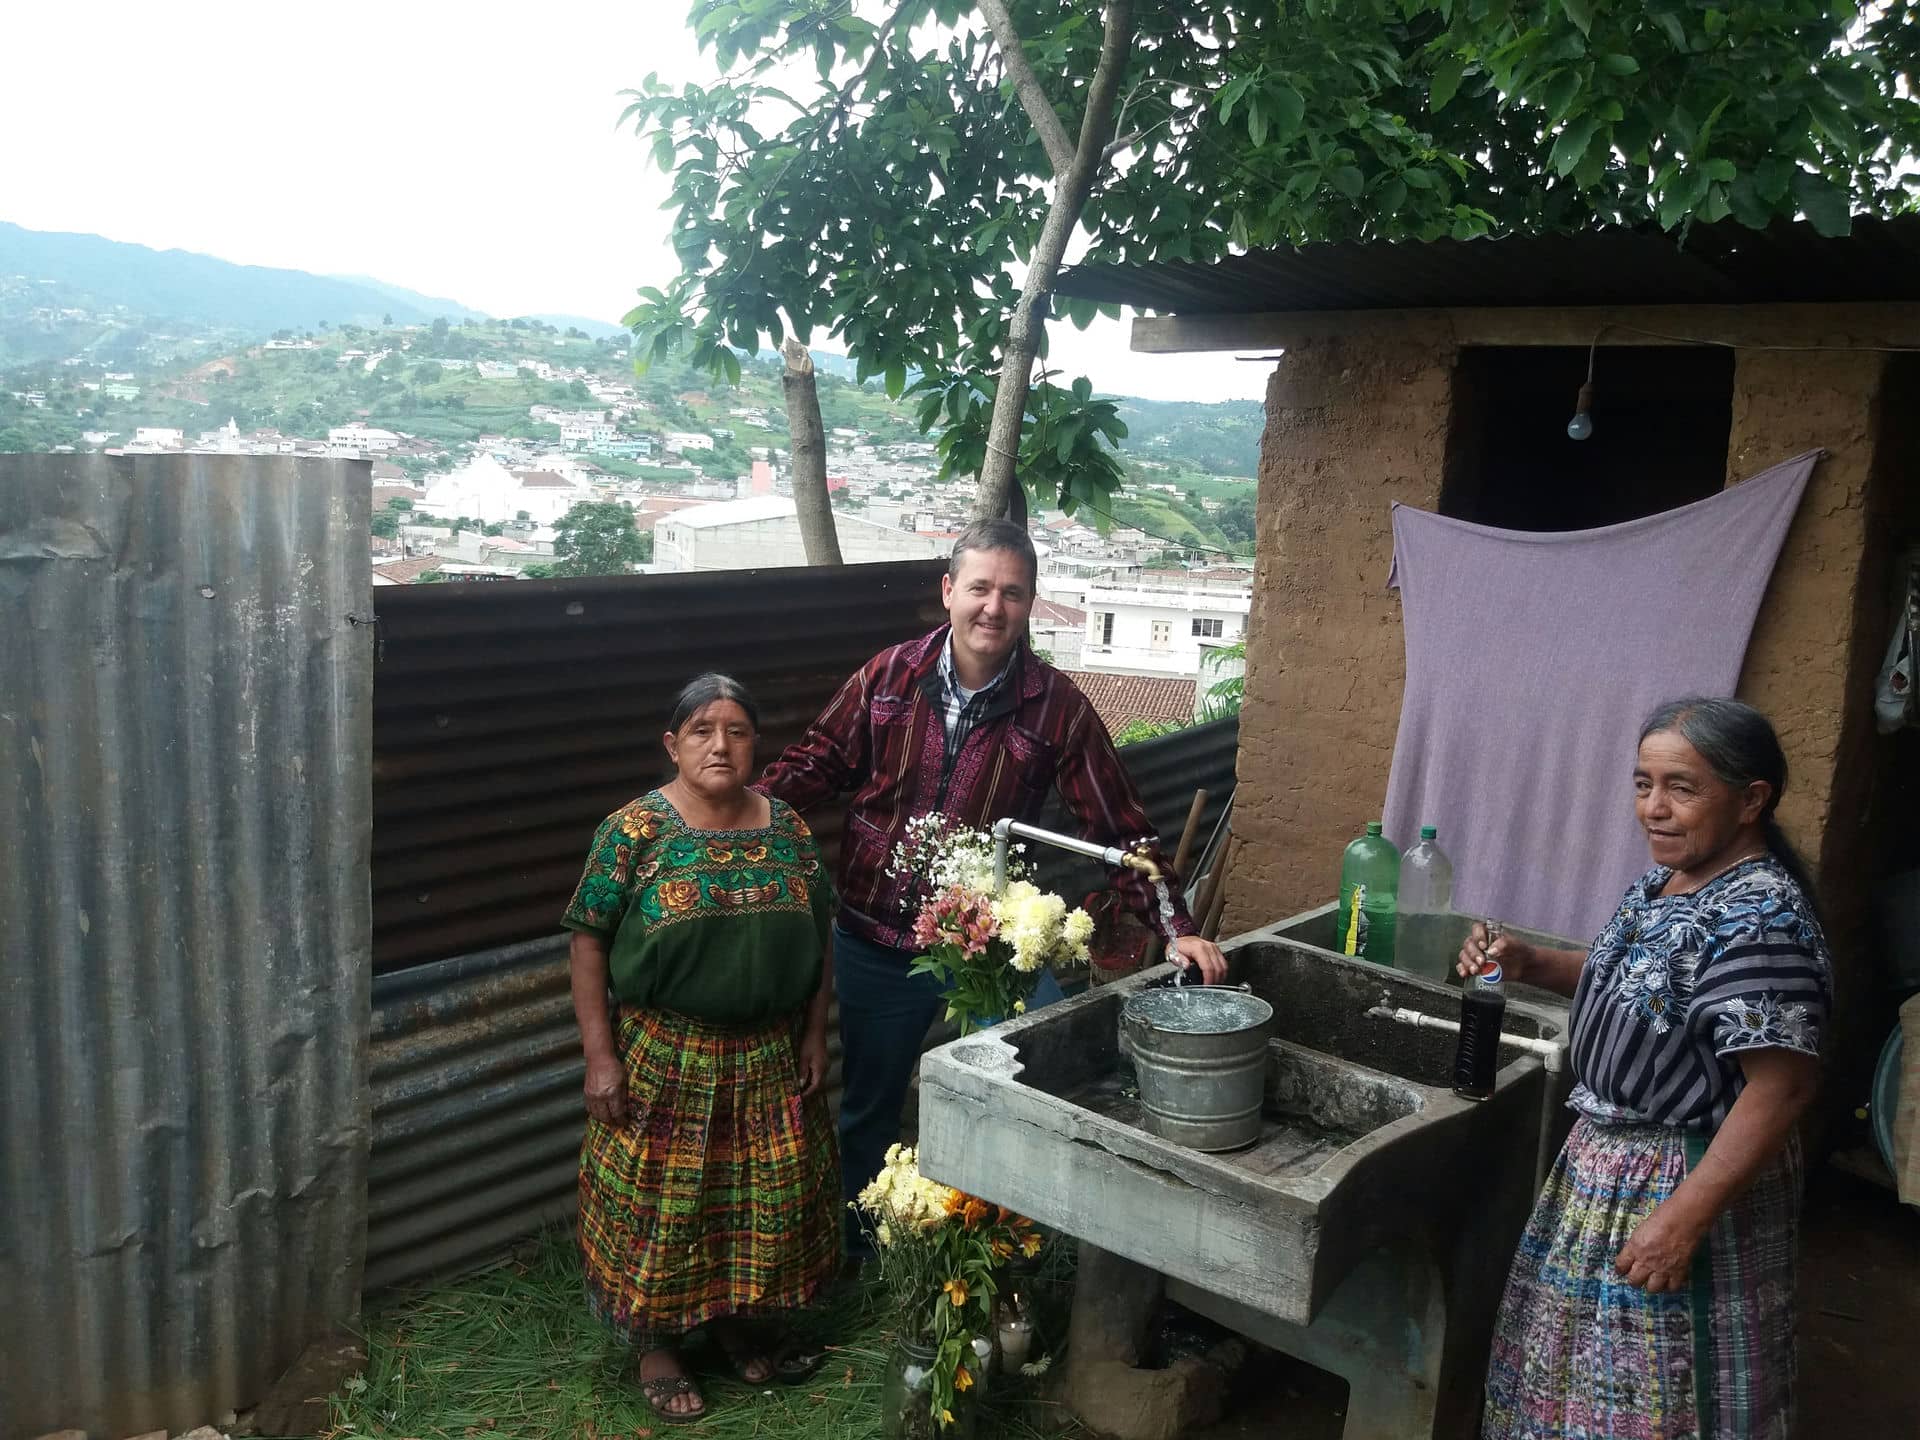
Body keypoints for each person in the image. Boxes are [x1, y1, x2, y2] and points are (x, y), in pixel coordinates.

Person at [759, 517, 1229, 1254]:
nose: (993, 607)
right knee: (870, 1106)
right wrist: (723, 814)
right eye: (979, 587)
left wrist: (1177, 927)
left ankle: (1006, 1249)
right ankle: (861, 1252)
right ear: (949, 592)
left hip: (984, 947)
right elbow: (814, 765)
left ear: (1031, 604)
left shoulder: (1057, 707)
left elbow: (1118, 830)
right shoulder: (888, 677)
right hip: (875, 941)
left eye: (1013, 593)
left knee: (1027, 1087)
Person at [1461, 697, 1831, 1440]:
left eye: (1681, 788)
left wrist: (1682, 1222)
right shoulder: (1667, 884)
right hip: (1610, 1172)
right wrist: (1530, 962)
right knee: (1583, 1389)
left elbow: (1782, 1084)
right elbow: (1635, 984)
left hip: (1674, 1179)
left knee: (1656, 1402)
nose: (1653, 809)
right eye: (1642, 784)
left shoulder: (1760, 919)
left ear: (1752, 799)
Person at [562, 674, 839, 1424]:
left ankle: (733, 1323)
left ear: (757, 743)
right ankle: (656, 1343)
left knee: (756, 1200)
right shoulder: (634, 831)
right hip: (667, 1053)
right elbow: (589, 943)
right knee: (663, 1207)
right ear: (672, 744)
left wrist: (815, 1031)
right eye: (701, 731)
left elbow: (819, 939)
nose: (721, 745)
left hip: (767, 1054)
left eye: (738, 730)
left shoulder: (787, 828)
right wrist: (599, 1054)